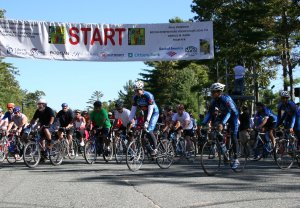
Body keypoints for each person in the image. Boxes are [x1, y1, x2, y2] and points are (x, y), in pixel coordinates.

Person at [201, 83, 240, 169]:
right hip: (224, 114)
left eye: (213, 92)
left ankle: (236, 159)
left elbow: (230, 112)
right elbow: (210, 113)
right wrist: (202, 123)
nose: (211, 94)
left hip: (233, 116)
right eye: (211, 92)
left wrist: (222, 124)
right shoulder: (214, 100)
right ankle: (224, 150)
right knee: (216, 129)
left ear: (219, 92)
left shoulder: (226, 99)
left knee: (233, 135)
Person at [128, 80, 159, 156]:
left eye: (138, 90)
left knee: (148, 129)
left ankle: (155, 149)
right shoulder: (135, 97)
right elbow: (133, 111)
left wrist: (147, 121)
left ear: (142, 89)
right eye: (135, 91)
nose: (137, 92)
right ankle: (149, 149)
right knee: (142, 134)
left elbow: (151, 109)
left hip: (153, 113)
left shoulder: (148, 95)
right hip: (145, 112)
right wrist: (130, 121)